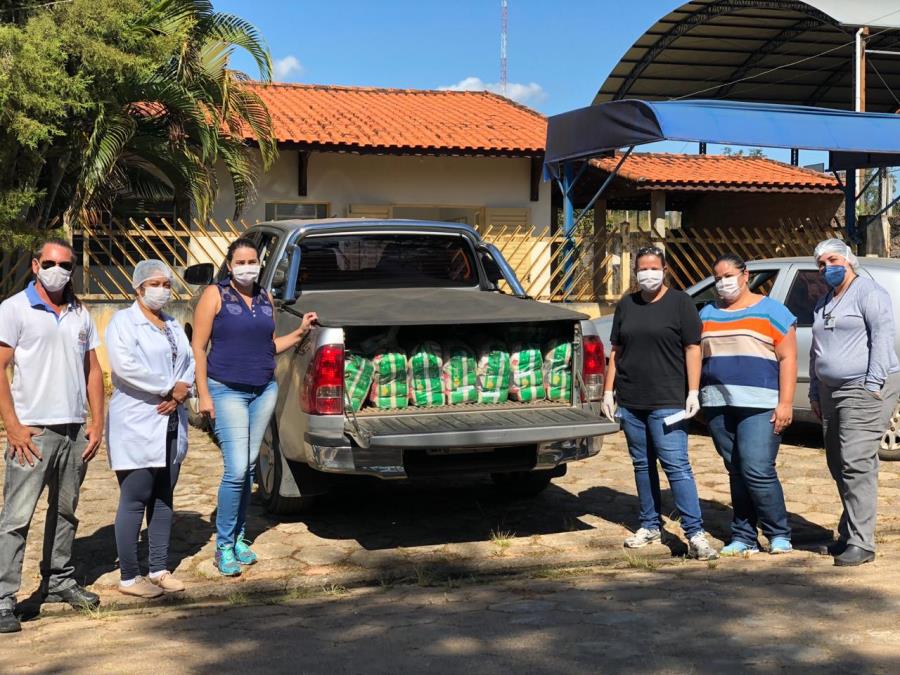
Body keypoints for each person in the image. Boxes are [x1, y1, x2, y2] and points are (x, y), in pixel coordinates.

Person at [192, 238, 317, 576]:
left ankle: (239, 537)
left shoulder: (265, 298)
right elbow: (199, 347)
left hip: (263, 390)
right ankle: (223, 545)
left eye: (252, 261)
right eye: (241, 261)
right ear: (229, 265)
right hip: (226, 390)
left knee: (248, 468)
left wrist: (301, 333)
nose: (248, 267)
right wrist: (203, 394)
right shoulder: (214, 295)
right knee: (235, 469)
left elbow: (268, 345)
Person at [0, 239, 104, 633]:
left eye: (65, 264)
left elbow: (93, 370)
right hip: (34, 433)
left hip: (74, 431)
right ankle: (3, 598)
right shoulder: (13, 309)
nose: (57, 269)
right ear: (34, 265)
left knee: (66, 512)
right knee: (16, 518)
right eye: (50, 263)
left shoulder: (80, 312)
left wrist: (98, 422)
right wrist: (12, 424)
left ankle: (59, 580)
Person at [602, 245, 718, 561]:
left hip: (668, 401)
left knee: (676, 466)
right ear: (635, 271)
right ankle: (650, 525)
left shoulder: (681, 303)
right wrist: (608, 391)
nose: (648, 273)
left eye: (654, 268)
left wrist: (693, 392)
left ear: (665, 270)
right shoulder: (627, 304)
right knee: (642, 464)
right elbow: (617, 350)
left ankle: (695, 533)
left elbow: (693, 349)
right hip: (632, 400)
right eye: (643, 268)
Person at [106, 260, 195, 597]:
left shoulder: (171, 324)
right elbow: (125, 366)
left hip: (171, 421)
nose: (162, 289)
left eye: (167, 284)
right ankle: (130, 577)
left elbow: (189, 362)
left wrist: (181, 389)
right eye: (155, 283)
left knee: (163, 497)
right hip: (138, 419)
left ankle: (158, 568)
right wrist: (166, 388)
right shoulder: (122, 323)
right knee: (135, 497)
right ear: (139, 288)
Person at [809, 239, 900, 566]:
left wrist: (873, 385)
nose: (826, 267)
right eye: (821, 263)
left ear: (849, 260)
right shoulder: (824, 302)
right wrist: (814, 391)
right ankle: (850, 533)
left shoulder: (870, 294)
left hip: (865, 386)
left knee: (855, 461)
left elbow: (882, 338)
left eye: (832, 259)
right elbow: (816, 348)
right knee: (838, 461)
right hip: (831, 390)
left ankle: (862, 544)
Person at [699, 253, 796, 556]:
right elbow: (695, 355)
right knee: (736, 469)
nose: (723, 282)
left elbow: (788, 358)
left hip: (761, 404)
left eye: (728, 275)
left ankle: (778, 532)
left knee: (757, 468)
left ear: (745, 275)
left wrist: (786, 403)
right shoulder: (707, 314)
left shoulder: (773, 311)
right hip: (718, 403)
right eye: (717, 278)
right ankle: (743, 536)